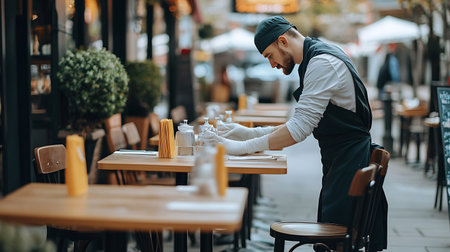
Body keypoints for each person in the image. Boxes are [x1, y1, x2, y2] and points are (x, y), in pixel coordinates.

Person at [216, 16, 387, 251]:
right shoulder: (316, 57)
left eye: (269, 55)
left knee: (333, 244)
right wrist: (246, 133)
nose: (272, 64)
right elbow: (298, 122)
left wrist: (240, 148)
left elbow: (298, 130)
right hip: (342, 162)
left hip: (348, 163)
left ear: (283, 41)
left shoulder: (321, 63)